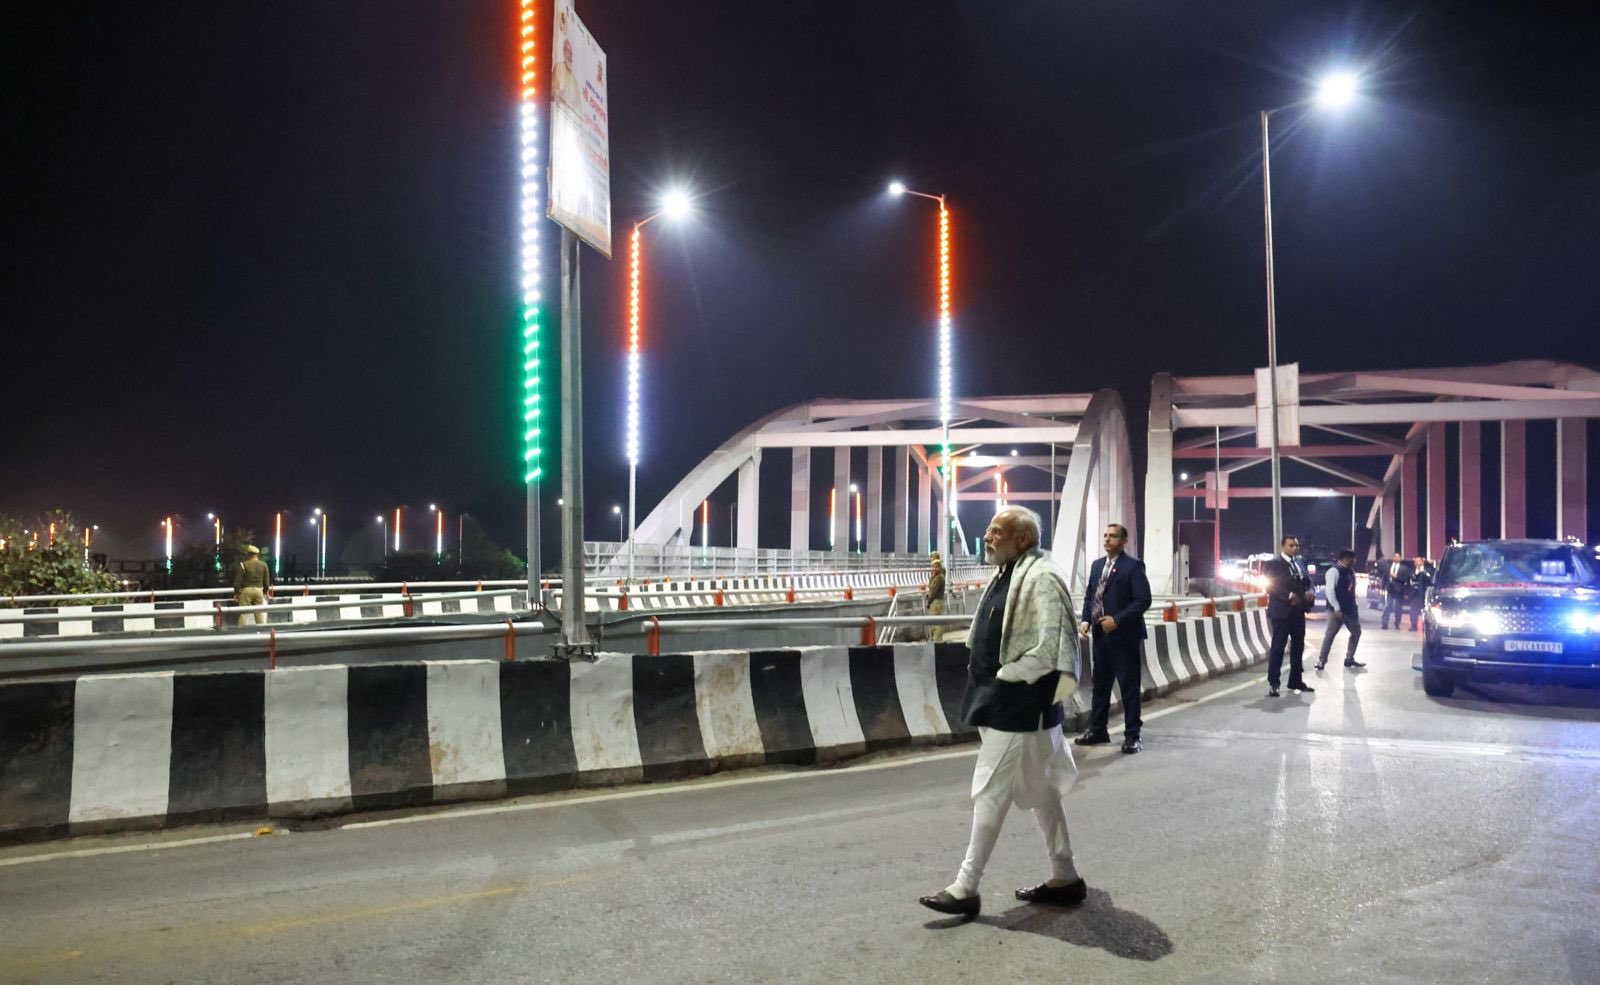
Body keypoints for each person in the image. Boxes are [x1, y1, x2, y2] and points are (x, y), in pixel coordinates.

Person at [918, 506, 1083, 919]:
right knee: (1043, 792)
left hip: (1020, 705)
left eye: (996, 531)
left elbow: (1052, 646)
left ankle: (965, 886)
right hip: (1003, 702)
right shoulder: (1009, 572)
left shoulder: (1042, 578)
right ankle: (1066, 877)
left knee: (989, 791)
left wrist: (1008, 674)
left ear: (1022, 539)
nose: (988, 537)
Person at [1074, 523, 1153, 754]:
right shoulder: (1098, 565)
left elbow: (1143, 600)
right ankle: (1098, 730)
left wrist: (1117, 620)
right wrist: (1086, 619)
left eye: (1113, 536)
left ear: (1124, 541)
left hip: (1125, 637)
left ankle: (1132, 736)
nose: (1107, 540)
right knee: (1100, 685)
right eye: (1106, 535)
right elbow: (1091, 596)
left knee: (1128, 687)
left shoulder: (1133, 567)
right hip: (1100, 637)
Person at [1264, 534, 1317, 697]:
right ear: (1283, 547)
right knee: (1278, 648)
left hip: (1298, 611)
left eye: (1296, 546)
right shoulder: (1274, 564)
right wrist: (1288, 596)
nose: (1294, 548)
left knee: (1298, 647)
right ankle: (1274, 683)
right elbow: (1271, 586)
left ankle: (1296, 680)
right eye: (1291, 545)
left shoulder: (1299, 562)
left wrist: (1310, 592)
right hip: (1281, 611)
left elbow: (1308, 581)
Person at [1316, 549, 1365, 670]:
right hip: (1336, 611)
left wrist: (1355, 604)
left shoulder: (1351, 571)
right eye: (1351, 559)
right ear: (1345, 558)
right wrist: (1337, 608)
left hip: (1350, 609)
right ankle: (1322, 660)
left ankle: (1349, 659)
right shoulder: (1334, 571)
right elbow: (1330, 591)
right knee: (1330, 635)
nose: (1354, 561)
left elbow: (1352, 589)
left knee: (1356, 632)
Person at [233, 544, 273, 626]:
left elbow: (237, 583)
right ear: (257, 554)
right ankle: (261, 632)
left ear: (248, 554)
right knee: (259, 614)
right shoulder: (264, 565)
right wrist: (265, 593)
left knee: (243, 614)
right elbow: (266, 583)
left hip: (246, 591)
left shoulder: (243, 565)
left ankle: (241, 632)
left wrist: (237, 594)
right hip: (259, 591)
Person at [1380, 552, 1410, 630]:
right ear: (1393, 558)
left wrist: (1396, 577)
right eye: (1395, 557)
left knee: (1398, 608)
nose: (1396, 558)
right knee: (1388, 606)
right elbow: (1384, 577)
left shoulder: (1404, 568)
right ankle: (1384, 623)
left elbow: (1405, 580)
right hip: (1390, 589)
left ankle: (1397, 623)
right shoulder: (1388, 567)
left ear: (1400, 558)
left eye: (1398, 557)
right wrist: (1383, 587)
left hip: (1399, 590)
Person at [1408, 556, 1435, 631]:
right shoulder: (1412, 571)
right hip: (1415, 594)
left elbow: (1431, 580)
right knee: (1413, 610)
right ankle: (1413, 625)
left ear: (1422, 562)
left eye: (1418, 561)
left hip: (1424, 594)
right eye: (1415, 561)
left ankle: (1426, 627)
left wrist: (1423, 573)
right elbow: (1409, 581)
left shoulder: (1428, 570)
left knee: (1425, 611)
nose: (1417, 562)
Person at [926, 551, 947, 642]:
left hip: (935, 602)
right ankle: (936, 640)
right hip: (938, 601)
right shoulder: (940, 574)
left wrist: (928, 602)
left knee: (935, 623)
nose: (933, 568)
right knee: (937, 623)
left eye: (934, 566)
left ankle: (936, 642)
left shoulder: (938, 577)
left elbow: (933, 591)